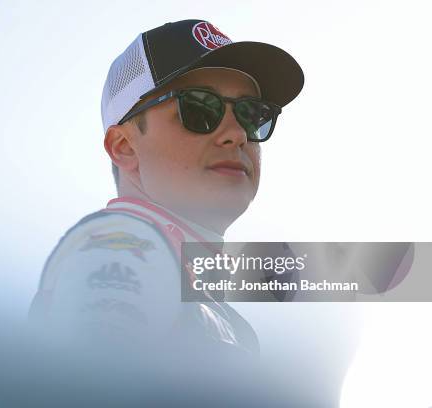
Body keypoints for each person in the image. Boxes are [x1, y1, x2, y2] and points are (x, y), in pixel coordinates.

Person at [27, 19, 305, 405]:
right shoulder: (124, 247)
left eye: (251, 113)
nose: (237, 133)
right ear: (124, 146)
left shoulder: (183, 266)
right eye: (199, 108)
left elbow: (372, 273)